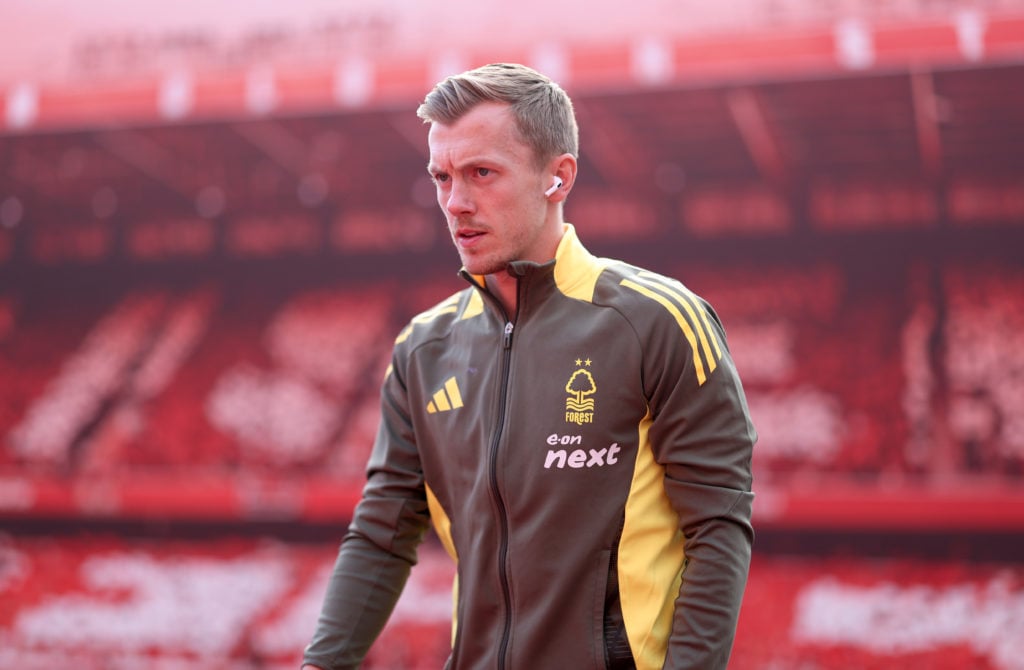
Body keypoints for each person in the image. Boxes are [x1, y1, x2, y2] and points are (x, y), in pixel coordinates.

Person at [302, 62, 756, 670]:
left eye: (481, 173)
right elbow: (381, 538)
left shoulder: (659, 321)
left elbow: (719, 529)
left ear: (557, 177)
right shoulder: (421, 350)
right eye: (442, 177)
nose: (456, 203)